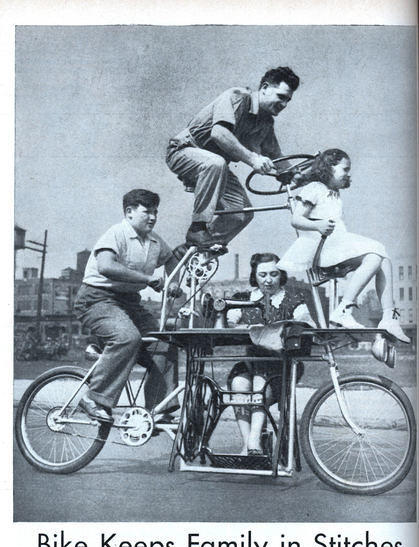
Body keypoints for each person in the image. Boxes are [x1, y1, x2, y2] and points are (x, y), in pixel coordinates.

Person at [279, 148, 409, 342]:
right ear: (329, 168)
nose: (348, 174)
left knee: (383, 260)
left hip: (335, 245)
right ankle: (344, 310)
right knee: (377, 250)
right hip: (322, 247)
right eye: (345, 169)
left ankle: (389, 317)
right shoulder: (314, 188)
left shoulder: (334, 193)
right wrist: (318, 225)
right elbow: (296, 220)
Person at [166, 66, 300, 252]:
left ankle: (194, 253)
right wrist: (253, 159)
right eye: (281, 97)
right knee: (215, 163)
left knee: (241, 214)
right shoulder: (237, 97)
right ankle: (197, 228)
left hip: (214, 167)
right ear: (265, 88)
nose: (284, 104)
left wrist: (300, 174)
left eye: (288, 100)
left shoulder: (266, 121)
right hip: (184, 150)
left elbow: (277, 157)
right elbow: (219, 134)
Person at [73, 189, 180, 423]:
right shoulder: (116, 233)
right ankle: (94, 398)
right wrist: (146, 279)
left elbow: (171, 259)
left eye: (155, 212)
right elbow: (106, 266)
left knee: (163, 344)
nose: (152, 217)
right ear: (129, 212)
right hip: (97, 299)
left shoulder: (154, 241)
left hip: (129, 302)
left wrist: (173, 283)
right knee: (127, 338)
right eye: (147, 212)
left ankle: (158, 409)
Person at [227, 253, 312, 455]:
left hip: (282, 366)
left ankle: (254, 440)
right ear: (254, 276)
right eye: (262, 274)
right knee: (238, 384)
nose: (268, 280)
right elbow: (230, 322)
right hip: (251, 363)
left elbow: (306, 324)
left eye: (273, 274)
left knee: (259, 381)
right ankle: (248, 443)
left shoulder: (293, 301)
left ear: (280, 275)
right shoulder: (245, 300)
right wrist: (237, 322)